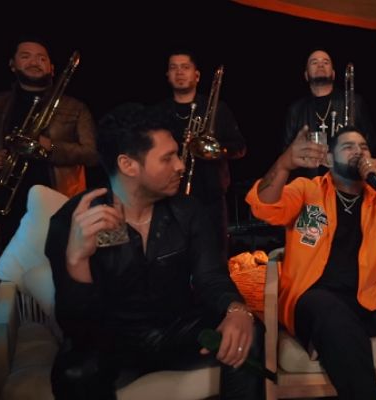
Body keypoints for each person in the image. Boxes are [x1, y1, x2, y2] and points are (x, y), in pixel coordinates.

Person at [45, 104, 264, 399]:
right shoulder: (74, 220)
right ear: (128, 165)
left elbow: (211, 278)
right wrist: (77, 259)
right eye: (167, 158)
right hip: (109, 339)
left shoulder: (188, 211)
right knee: (75, 371)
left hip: (176, 329)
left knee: (248, 331)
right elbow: (75, 326)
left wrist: (237, 310)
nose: (181, 165)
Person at [246, 125, 376, 398]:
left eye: (364, 147)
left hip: (366, 299)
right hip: (314, 297)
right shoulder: (307, 190)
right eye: (349, 146)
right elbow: (264, 207)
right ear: (329, 159)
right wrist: (283, 165)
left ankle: (330, 335)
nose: (359, 152)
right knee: (328, 309)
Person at [0, 38, 97, 248]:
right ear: (12, 64)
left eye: (41, 58)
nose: (34, 62)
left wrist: (52, 147)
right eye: (25, 56)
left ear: (52, 68)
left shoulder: (76, 107)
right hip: (5, 209)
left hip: (58, 204)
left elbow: (93, 154)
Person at [153, 50, 246, 257]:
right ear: (167, 75)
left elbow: (239, 147)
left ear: (197, 75)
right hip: (169, 197)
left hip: (211, 197)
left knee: (215, 256)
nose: (179, 72)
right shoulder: (159, 112)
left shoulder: (217, 108)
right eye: (173, 68)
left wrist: (212, 148)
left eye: (185, 67)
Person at [284, 48, 376, 180]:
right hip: (309, 182)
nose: (320, 65)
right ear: (306, 75)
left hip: (346, 181)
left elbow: (370, 142)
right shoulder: (296, 109)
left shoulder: (354, 102)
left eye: (326, 62)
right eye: (314, 62)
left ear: (333, 74)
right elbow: (287, 151)